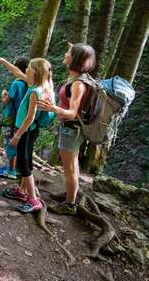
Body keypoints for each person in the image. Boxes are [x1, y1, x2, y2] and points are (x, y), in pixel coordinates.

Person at [37, 42, 96, 215]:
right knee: (73, 167)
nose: (65, 54)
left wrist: (53, 108)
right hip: (70, 129)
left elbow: (71, 113)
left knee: (70, 169)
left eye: (68, 52)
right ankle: (71, 194)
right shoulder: (76, 78)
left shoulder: (78, 84)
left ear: (75, 58)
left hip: (71, 130)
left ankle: (70, 206)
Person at [0, 55, 55, 213]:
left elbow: (29, 117)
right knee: (26, 161)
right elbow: (16, 72)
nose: (26, 70)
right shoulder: (42, 85)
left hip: (25, 132)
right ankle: (21, 191)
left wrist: (16, 136)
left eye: (29, 68)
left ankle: (33, 200)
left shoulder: (35, 91)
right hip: (30, 132)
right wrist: (4, 61)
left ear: (36, 72)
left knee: (24, 165)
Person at [0, 56, 29, 180]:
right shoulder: (29, 82)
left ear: (17, 68)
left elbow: (5, 102)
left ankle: (10, 170)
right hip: (23, 118)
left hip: (12, 118)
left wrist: (3, 94)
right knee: (17, 143)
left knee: (10, 142)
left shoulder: (16, 83)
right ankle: (14, 168)